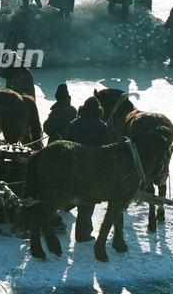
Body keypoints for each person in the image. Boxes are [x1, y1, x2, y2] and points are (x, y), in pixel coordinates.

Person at [64, 96, 111, 243]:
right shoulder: (102, 126)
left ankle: (68, 205)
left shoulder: (73, 124)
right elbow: (106, 150)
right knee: (87, 202)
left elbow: (66, 145)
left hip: (73, 167)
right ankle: (83, 234)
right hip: (91, 170)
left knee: (73, 192)